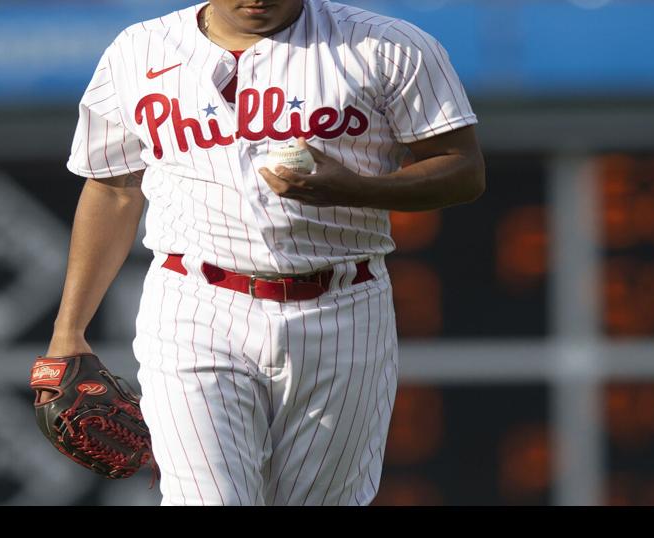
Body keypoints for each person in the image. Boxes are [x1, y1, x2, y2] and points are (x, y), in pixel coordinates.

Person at [38, 0, 484, 505]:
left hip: (342, 304)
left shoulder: (387, 45)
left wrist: (356, 189)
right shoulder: (137, 50)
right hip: (195, 304)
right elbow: (113, 189)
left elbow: (462, 169)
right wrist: (67, 332)